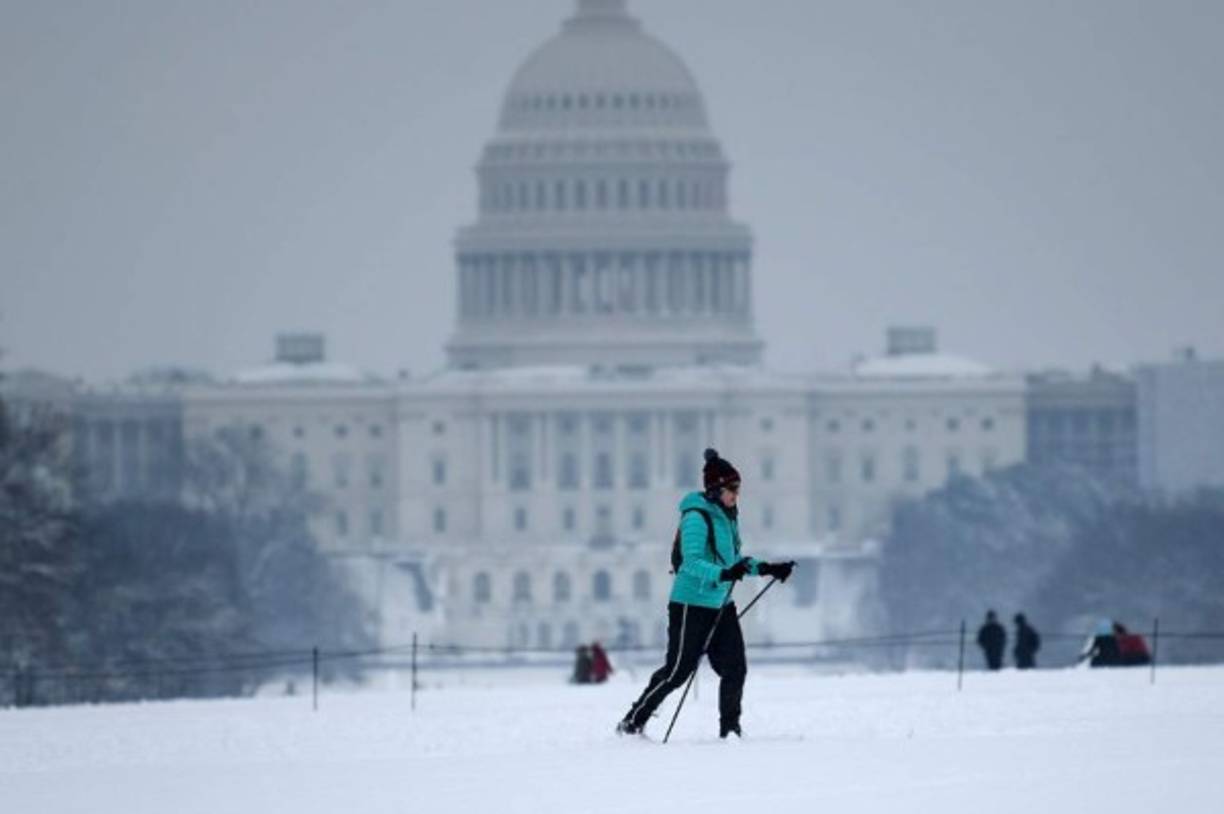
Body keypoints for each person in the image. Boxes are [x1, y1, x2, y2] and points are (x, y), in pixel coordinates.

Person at [616, 448, 795, 739]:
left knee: (735, 668)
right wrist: (724, 574)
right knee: (677, 672)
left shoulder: (728, 518)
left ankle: (731, 730)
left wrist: (768, 568)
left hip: (722, 604)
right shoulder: (696, 518)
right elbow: (692, 562)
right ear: (715, 489)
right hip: (690, 604)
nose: (737, 494)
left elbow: (733, 562)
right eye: (732, 489)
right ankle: (632, 723)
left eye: (738, 489)